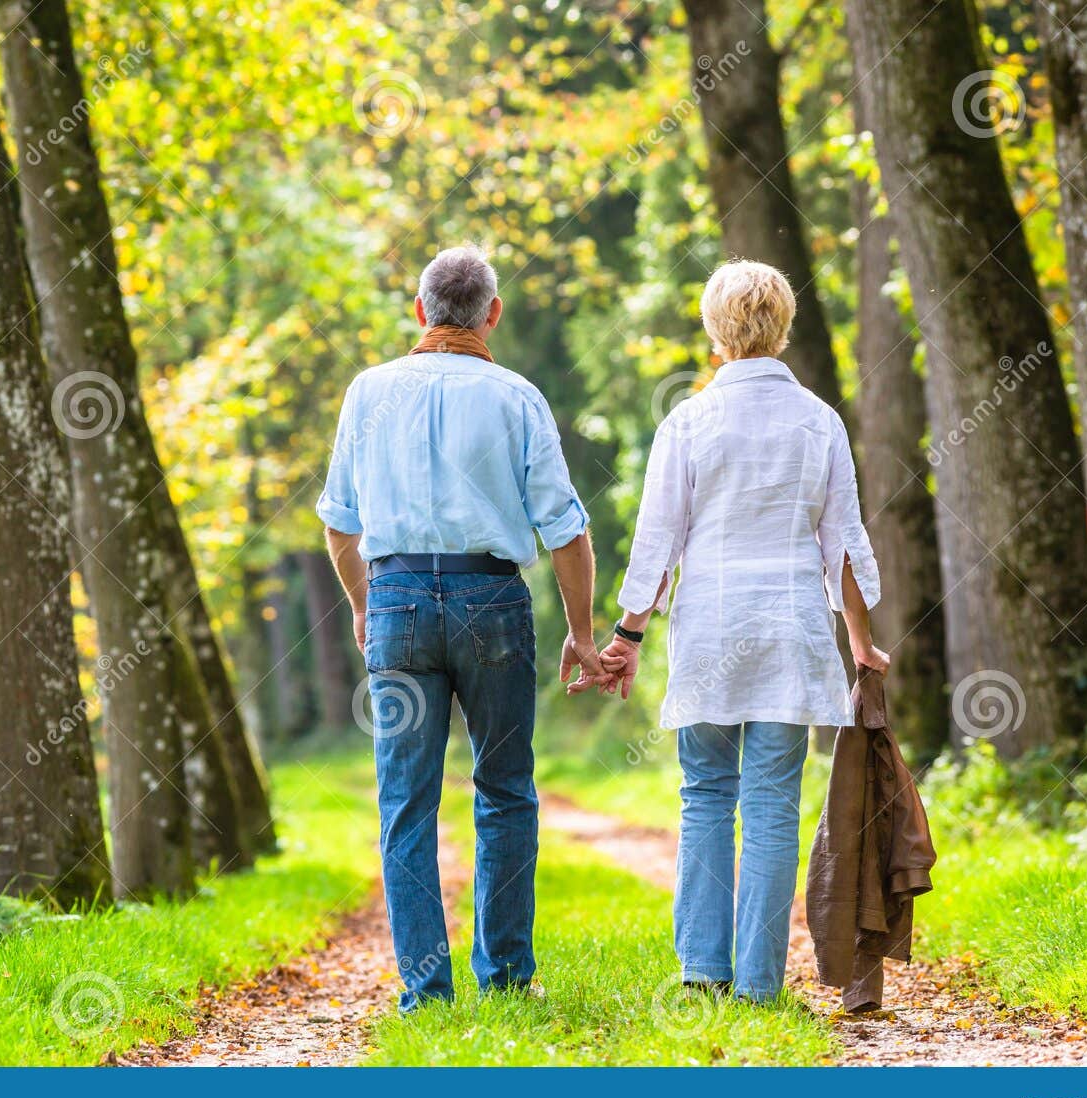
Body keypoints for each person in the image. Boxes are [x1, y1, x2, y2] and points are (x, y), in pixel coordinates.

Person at [583, 260, 890, 1003]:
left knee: (706, 794)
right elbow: (841, 542)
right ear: (783, 327)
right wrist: (860, 638)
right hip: (790, 628)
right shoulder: (818, 420)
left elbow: (658, 541)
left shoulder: (688, 421)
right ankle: (758, 983)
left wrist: (627, 634)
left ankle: (702, 972)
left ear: (715, 333)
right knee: (773, 802)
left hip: (711, 631)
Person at [317, 245, 601, 1010]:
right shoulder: (518, 398)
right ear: (492, 315)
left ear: (420, 311)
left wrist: (362, 605)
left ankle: (424, 992)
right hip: (492, 605)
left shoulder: (368, 392)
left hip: (399, 599)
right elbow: (565, 529)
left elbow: (341, 526)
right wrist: (582, 631)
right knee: (505, 789)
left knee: (406, 800)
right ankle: (506, 977)